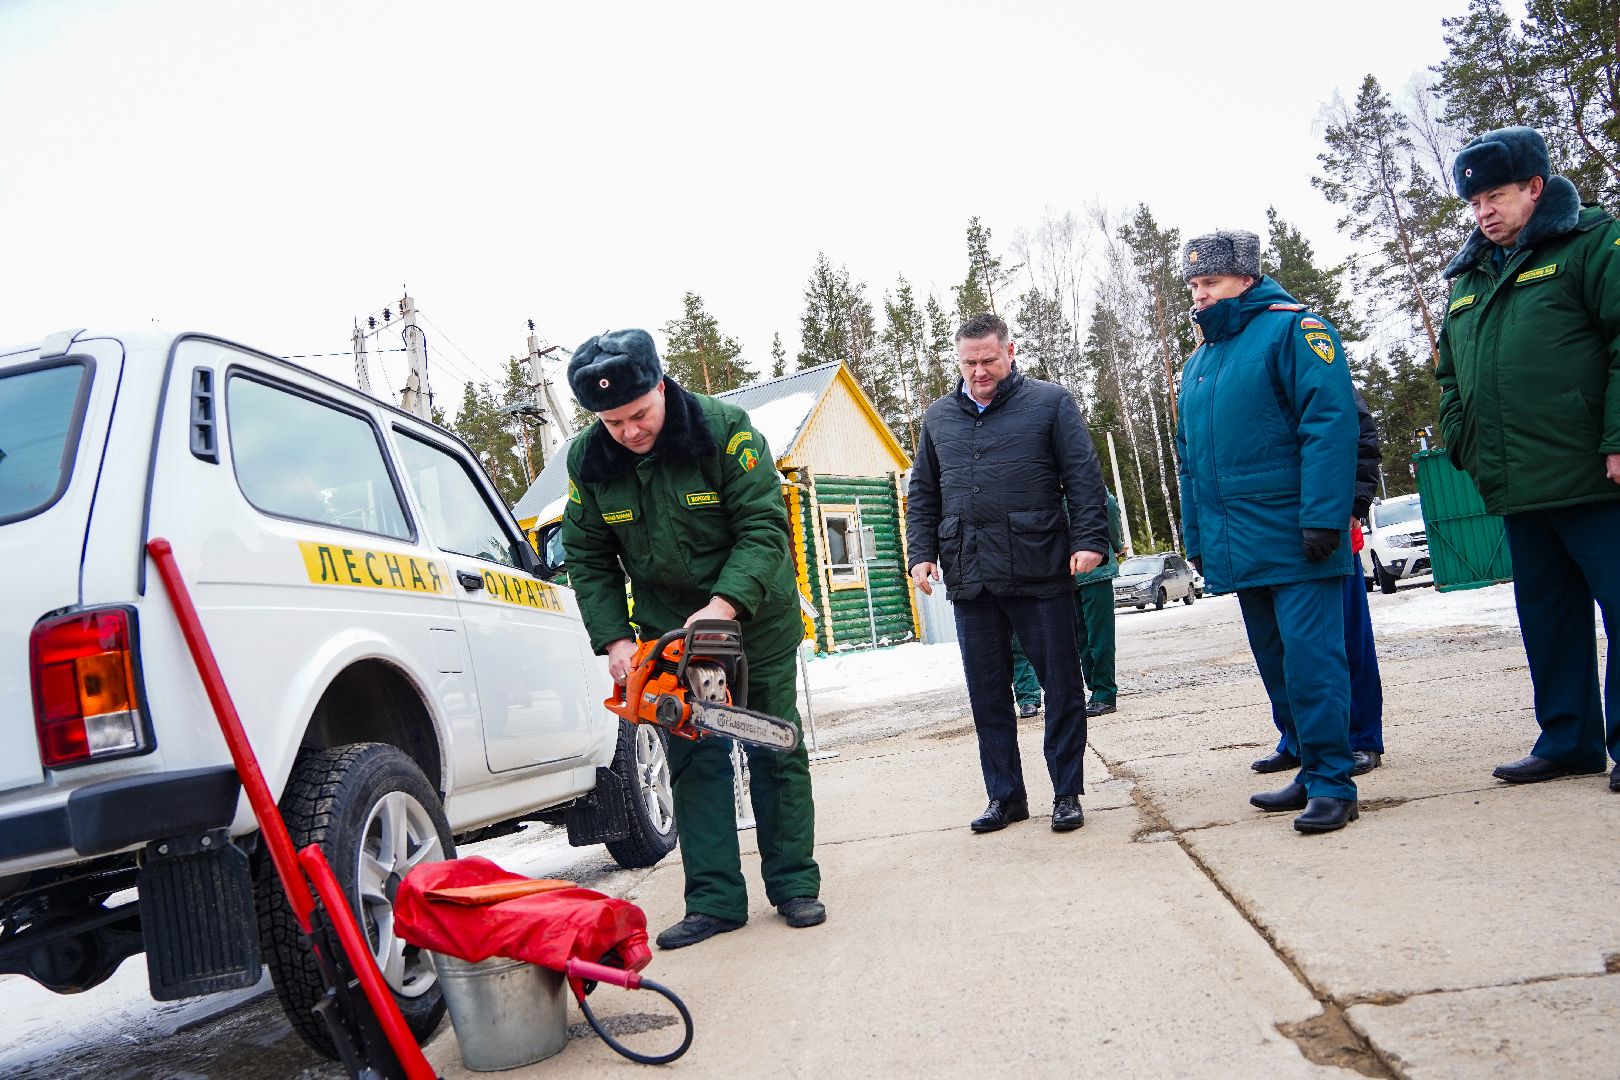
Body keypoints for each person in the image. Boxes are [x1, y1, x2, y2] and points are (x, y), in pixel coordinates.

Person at [561, 329, 823, 949]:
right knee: (693, 757)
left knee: (772, 749)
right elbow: (589, 557)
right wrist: (616, 640)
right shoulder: (588, 461)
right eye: (612, 421)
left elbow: (763, 528)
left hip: (752, 619)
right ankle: (714, 901)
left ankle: (793, 885)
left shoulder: (725, 431)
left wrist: (723, 605)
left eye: (638, 414)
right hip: (668, 632)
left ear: (661, 384)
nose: (627, 431)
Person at [1434, 126, 1620, 792]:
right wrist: (1464, 439)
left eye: (1497, 196)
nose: (1484, 211)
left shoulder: (1592, 244)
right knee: (1549, 619)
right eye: (1475, 200)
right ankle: (1569, 739)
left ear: (1535, 189)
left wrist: (1617, 437)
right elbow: (1450, 379)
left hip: (1597, 477)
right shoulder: (1469, 276)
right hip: (1518, 484)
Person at [1175, 229, 1361, 833]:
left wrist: (1324, 515)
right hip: (1240, 540)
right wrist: (1198, 537)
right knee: (1277, 664)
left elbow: (1330, 424)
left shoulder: (1294, 330)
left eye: (1211, 282)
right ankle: (1309, 768)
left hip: (1296, 533)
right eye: (1194, 284)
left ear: (1246, 279)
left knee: (1314, 662)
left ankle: (1335, 781)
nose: (1200, 294)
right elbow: (1190, 461)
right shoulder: (1198, 364)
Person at [906, 313, 1109, 834]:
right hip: (970, 575)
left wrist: (1090, 539)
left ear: (1010, 351)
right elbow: (924, 494)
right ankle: (1006, 796)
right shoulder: (938, 418)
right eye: (970, 362)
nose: (979, 372)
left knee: (1061, 685)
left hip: (1039, 567)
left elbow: (1082, 476)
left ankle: (1066, 792)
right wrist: (920, 553)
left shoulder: (1050, 403)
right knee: (988, 694)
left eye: (988, 360)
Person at [1252, 391, 1385, 776]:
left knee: (1344, 644)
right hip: (1272, 536)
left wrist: (1354, 505)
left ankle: (1360, 738)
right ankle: (1298, 740)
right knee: (1287, 651)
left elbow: (1358, 433)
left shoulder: (1303, 356)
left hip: (1328, 534)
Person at [1009, 490, 1126, 719]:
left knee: (1098, 637)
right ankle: (1095, 691)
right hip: (1069, 576)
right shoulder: (1047, 489)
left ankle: (1104, 693)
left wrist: (1115, 542)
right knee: (1082, 638)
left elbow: (1108, 504)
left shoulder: (1078, 483)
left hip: (1095, 571)